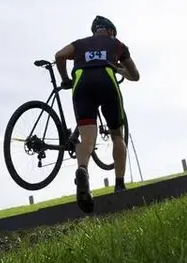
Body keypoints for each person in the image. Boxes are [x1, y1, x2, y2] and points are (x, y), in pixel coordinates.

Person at [53, 15, 139, 213]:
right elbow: (135, 76)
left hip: (81, 83)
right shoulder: (117, 44)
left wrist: (65, 79)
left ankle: (82, 169)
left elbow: (59, 55)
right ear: (110, 31)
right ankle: (119, 185)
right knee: (117, 135)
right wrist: (119, 70)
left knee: (87, 139)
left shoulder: (80, 44)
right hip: (106, 80)